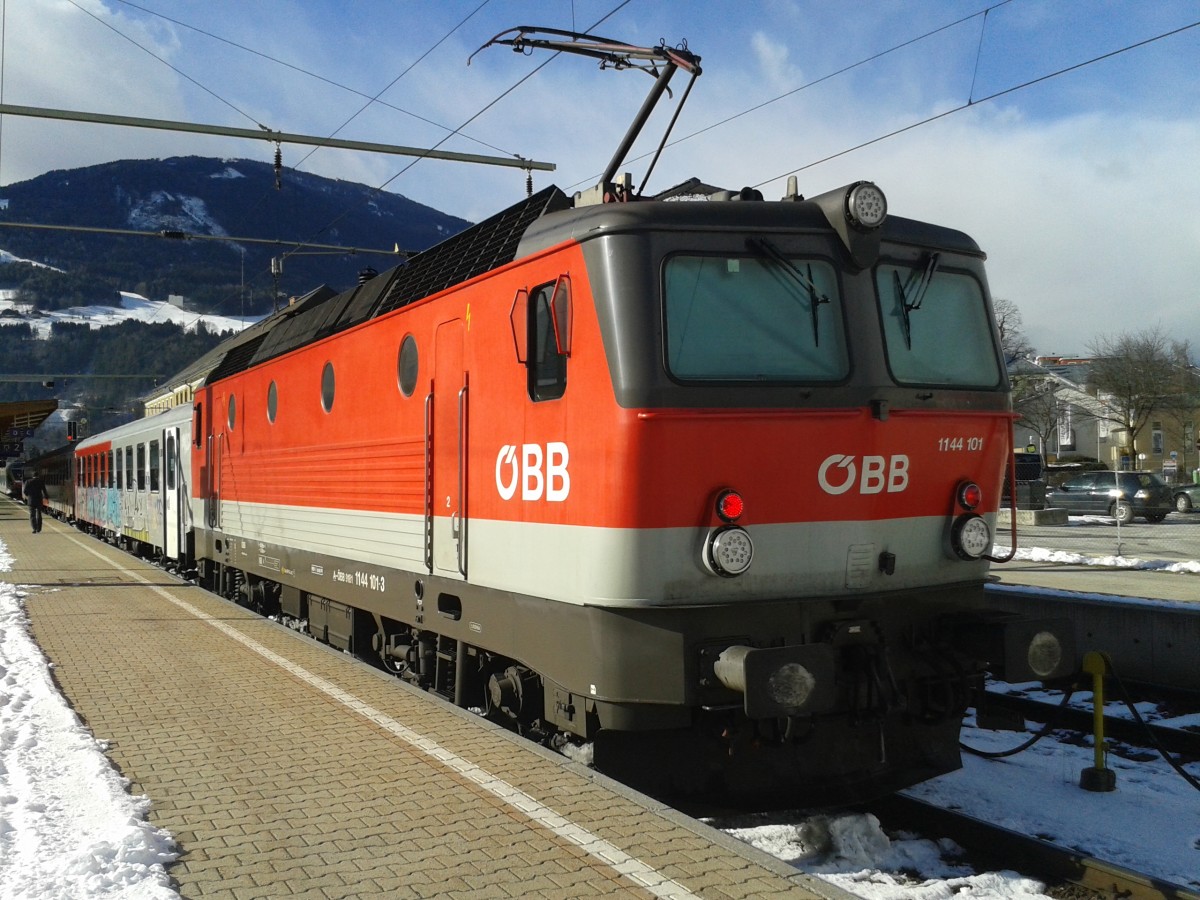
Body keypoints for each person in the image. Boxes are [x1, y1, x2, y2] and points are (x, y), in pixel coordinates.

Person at [23, 469, 47, 534]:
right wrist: (46, 497)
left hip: (31, 500)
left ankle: (34, 528)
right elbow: (44, 491)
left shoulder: (28, 481)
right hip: (39, 500)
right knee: (39, 514)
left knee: (32, 515)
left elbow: (25, 491)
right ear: (38, 475)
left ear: (32, 476)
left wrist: (29, 496)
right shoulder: (41, 481)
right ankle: (39, 529)